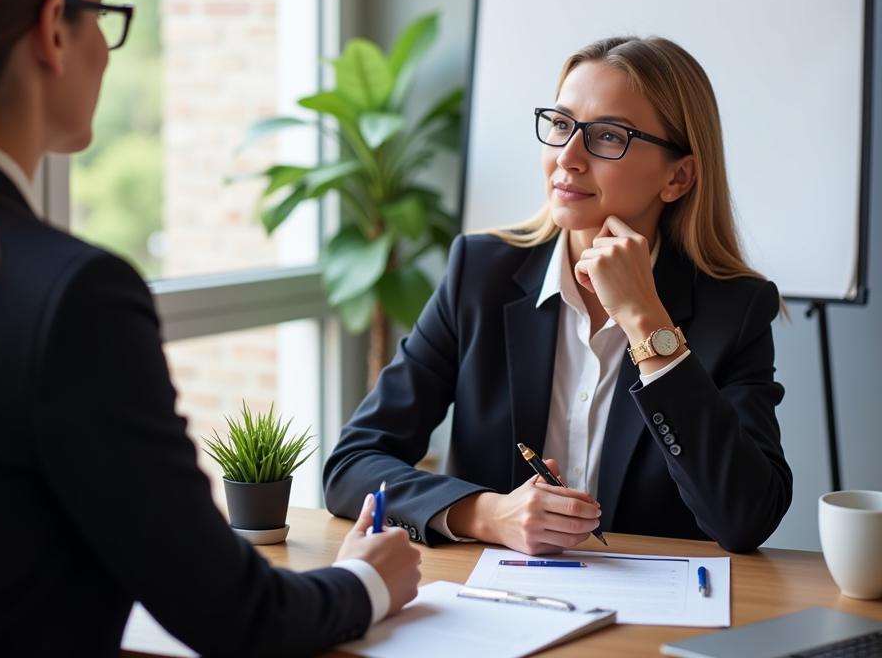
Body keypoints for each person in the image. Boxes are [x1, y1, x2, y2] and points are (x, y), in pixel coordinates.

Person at [0, 0, 420, 658]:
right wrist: (369, 579)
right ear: (53, 29)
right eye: (100, 12)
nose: (106, 48)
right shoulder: (68, 297)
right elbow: (236, 615)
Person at [324, 35, 792, 555]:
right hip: (496, 604)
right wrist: (489, 514)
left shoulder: (735, 307)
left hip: (653, 619)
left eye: (609, 136)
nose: (567, 157)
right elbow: (353, 462)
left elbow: (746, 518)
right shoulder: (479, 274)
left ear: (677, 177)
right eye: (562, 125)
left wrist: (646, 322)